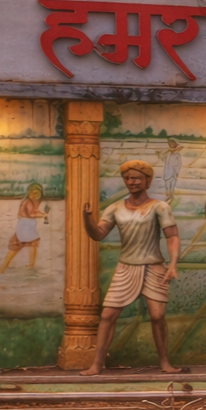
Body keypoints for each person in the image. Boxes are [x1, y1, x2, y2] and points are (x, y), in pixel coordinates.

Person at [80, 160, 184, 376]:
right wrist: (87, 218)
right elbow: (98, 235)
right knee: (108, 315)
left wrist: (173, 264)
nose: (131, 182)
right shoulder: (115, 208)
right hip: (126, 268)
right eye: (127, 178)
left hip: (154, 267)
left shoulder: (159, 207)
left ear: (147, 180)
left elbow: (172, 236)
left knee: (157, 316)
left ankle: (165, 362)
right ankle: (97, 364)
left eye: (136, 178)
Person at [0, 183, 48, 272]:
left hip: (28, 226)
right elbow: (31, 213)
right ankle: (3, 267)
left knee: (32, 244)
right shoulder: (28, 202)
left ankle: (31, 264)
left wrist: (42, 214)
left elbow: (34, 211)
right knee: (17, 245)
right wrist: (43, 215)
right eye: (32, 193)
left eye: (36, 193)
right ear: (29, 193)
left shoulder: (35, 201)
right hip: (25, 226)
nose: (33, 195)